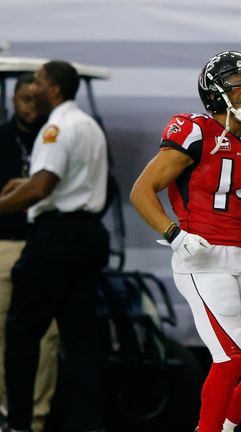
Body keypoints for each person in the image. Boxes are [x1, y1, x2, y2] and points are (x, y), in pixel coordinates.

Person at [129, 51, 241, 432]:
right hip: (202, 259)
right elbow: (142, 191)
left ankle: (223, 424)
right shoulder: (194, 131)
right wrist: (174, 234)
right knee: (231, 354)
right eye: (238, 83)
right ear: (214, 91)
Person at [0, 61, 110, 432]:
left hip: (55, 239)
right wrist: (26, 183)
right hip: (88, 237)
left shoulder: (55, 128)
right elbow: (75, 180)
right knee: (80, 338)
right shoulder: (88, 125)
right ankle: (89, 424)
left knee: (22, 333)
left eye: (38, 82)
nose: (32, 89)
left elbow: (42, 186)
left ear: (55, 90)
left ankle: (19, 423)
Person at [0, 73, 59, 432]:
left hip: (44, 244)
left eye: (38, 100)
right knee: (1, 330)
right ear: (13, 99)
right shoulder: (2, 139)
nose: (32, 107)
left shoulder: (57, 136)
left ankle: (35, 419)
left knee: (46, 334)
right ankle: (5, 413)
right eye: (25, 100)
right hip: (5, 244)